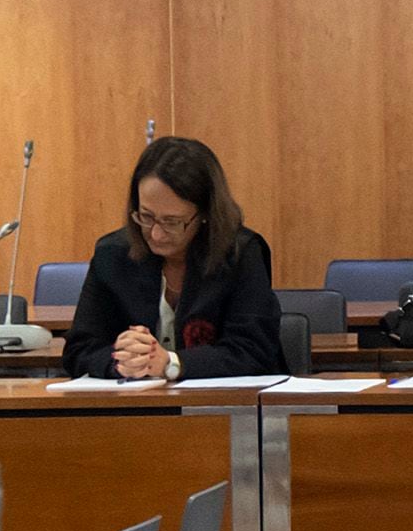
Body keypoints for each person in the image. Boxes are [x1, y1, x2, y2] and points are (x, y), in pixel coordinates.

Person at [59, 137, 283, 382]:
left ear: (206, 214)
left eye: (172, 222)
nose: (156, 234)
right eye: (146, 216)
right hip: (134, 410)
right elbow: (78, 350)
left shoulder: (241, 254)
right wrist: (121, 360)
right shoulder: (111, 254)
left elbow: (254, 351)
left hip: (220, 411)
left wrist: (171, 363)